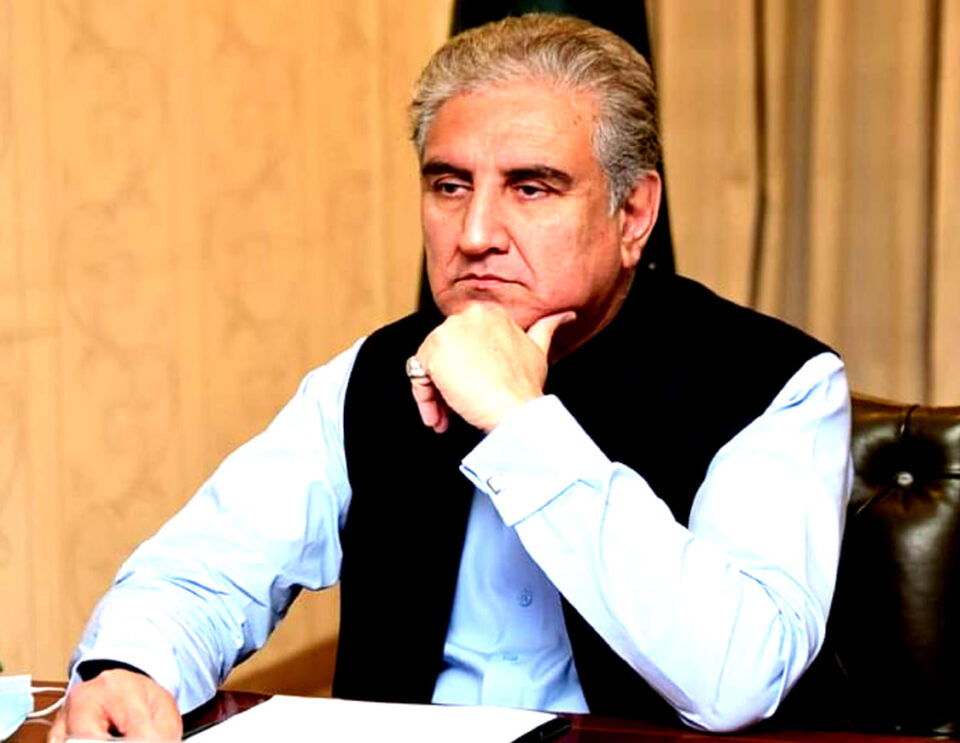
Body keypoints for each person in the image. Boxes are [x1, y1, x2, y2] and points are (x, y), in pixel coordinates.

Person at [53, 14, 851, 741]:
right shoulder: (370, 374)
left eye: (531, 187)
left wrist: (520, 423)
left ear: (634, 214)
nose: (474, 233)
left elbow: (738, 678)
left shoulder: (780, 384)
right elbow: (206, 569)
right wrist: (133, 664)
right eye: (449, 185)